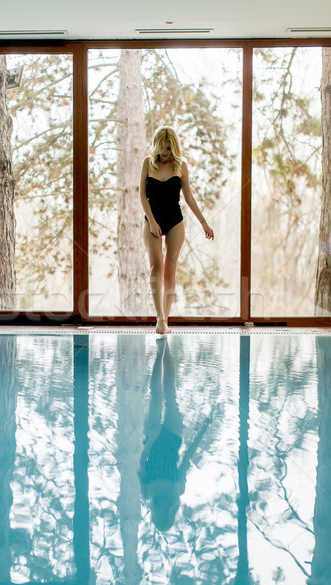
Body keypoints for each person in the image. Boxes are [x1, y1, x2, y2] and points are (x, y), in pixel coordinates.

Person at [140, 125, 214, 334]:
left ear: (174, 148)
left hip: (174, 221)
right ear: (156, 146)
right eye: (163, 148)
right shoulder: (147, 163)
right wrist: (153, 223)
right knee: (156, 267)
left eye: (169, 149)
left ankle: (165, 319)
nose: (165, 153)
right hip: (152, 220)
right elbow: (142, 197)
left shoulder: (180, 166)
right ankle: (159, 318)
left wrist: (204, 222)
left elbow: (189, 198)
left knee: (170, 270)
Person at [139, 338, 213, 531]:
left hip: (152, 440)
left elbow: (142, 461)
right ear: (169, 513)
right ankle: (167, 350)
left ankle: (159, 353)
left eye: (159, 515)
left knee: (156, 395)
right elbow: (188, 457)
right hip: (172, 439)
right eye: (164, 515)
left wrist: (151, 440)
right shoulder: (177, 490)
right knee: (170, 395)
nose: (160, 512)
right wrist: (202, 431)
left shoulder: (147, 492)